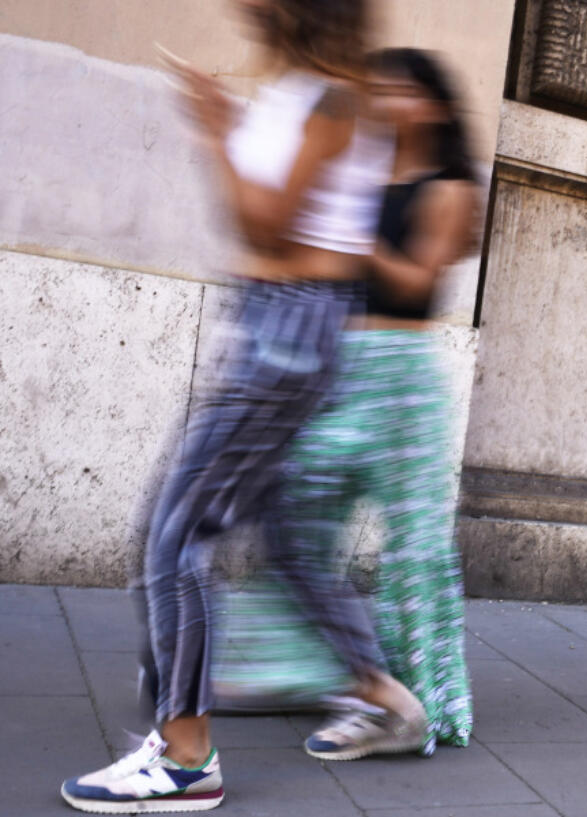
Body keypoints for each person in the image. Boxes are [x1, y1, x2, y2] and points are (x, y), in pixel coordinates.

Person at [60, 2, 426, 812]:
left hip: (289, 328)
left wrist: (216, 126)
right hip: (279, 321)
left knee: (175, 531)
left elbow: (267, 220)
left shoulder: (332, 97)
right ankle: (382, 695)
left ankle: (186, 755)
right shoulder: (306, 88)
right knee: (282, 529)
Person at [271, 46, 480, 760]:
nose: (388, 101)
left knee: (413, 545)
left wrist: (353, 237)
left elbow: (415, 278)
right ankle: (311, 670)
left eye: (403, 90)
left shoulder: (451, 187)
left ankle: (418, 699)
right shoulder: (363, 168)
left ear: (435, 105)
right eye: (382, 88)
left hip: (403, 374)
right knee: (296, 501)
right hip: (341, 362)